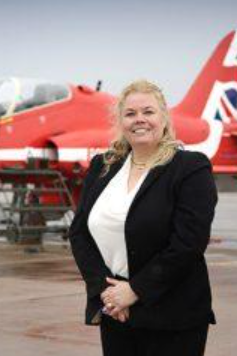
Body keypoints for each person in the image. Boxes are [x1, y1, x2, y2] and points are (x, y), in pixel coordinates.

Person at [68, 79, 217, 356]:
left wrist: (136, 290)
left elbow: (189, 243)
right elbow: (79, 234)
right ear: (120, 122)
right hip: (116, 311)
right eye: (130, 114)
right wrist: (106, 292)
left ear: (163, 118)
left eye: (148, 112)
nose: (140, 120)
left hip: (172, 314)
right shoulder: (102, 166)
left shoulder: (190, 168)